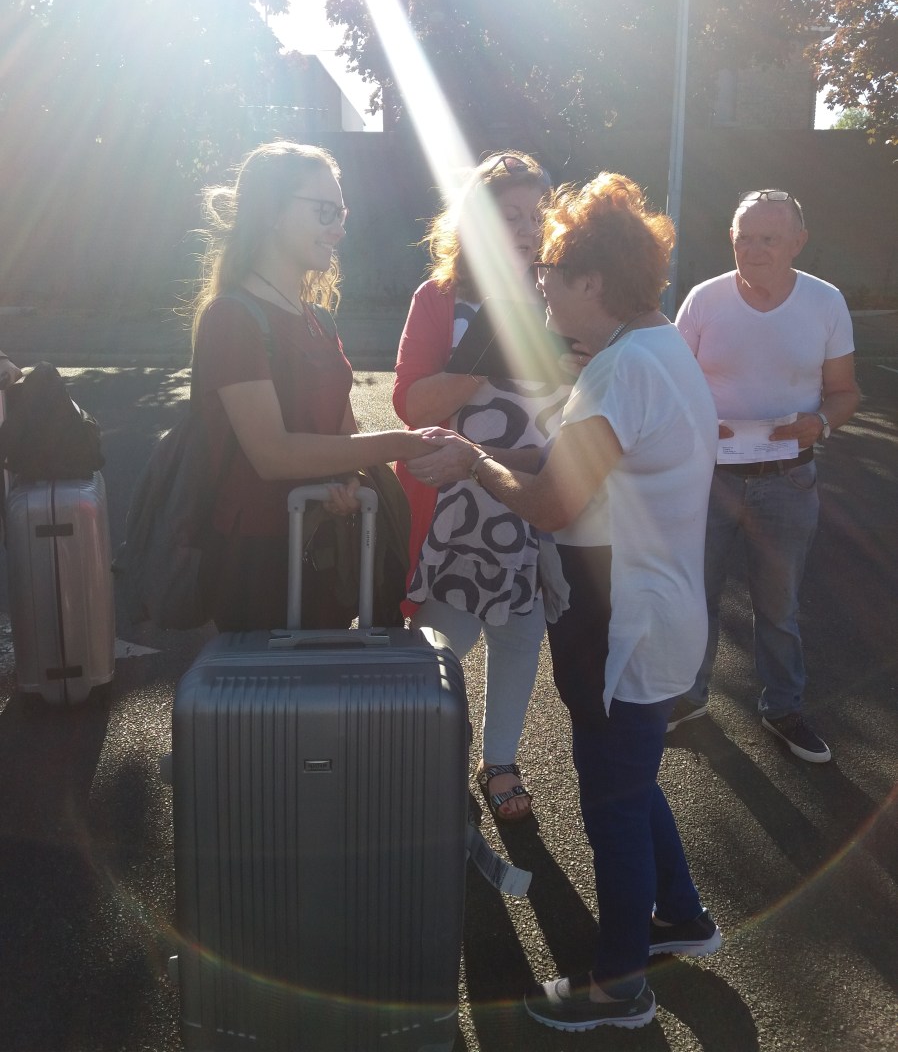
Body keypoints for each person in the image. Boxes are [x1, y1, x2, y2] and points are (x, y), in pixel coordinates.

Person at [408, 172, 722, 1031]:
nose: (538, 281)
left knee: (611, 799)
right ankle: (680, 914)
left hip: (622, 616)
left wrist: (475, 463)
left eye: (550, 267)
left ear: (591, 279)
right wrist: (485, 454)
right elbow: (575, 468)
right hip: (644, 606)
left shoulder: (623, 370)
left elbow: (551, 502)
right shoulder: (653, 349)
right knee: (631, 776)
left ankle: (619, 986)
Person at [393, 151, 576, 824]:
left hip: (532, 496)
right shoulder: (440, 297)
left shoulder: (565, 296)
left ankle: (499, 761)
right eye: (511, 217)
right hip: (452, 510)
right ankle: (425, 755)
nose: (529, 230)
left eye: (537, 215)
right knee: (441, 644)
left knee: (522, 634)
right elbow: (411, 405)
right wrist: (487, 353)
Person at [190, 140, 431, 632]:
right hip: (259, 561)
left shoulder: (318, 318)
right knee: (271, 686)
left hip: (324, 546)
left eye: (341, 213)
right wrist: (401, 444)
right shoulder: (232, 318)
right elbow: (272, 455)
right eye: (324, 211)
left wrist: (351, 480)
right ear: (272, 212)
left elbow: (344, 434)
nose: (339, 229)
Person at [671, 189, 860, 763]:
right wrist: (699, 423)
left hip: (788, 479)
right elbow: (669, 382)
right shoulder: (704, 300)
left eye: (768, 239)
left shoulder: (825, 302)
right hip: (708, 478)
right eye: (743, 238)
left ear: (798, 243)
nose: (753, 250)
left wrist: (819, 423)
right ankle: (687, 699)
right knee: (694, 595)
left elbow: (845, 392)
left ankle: (783, 707)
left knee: (779, 607)